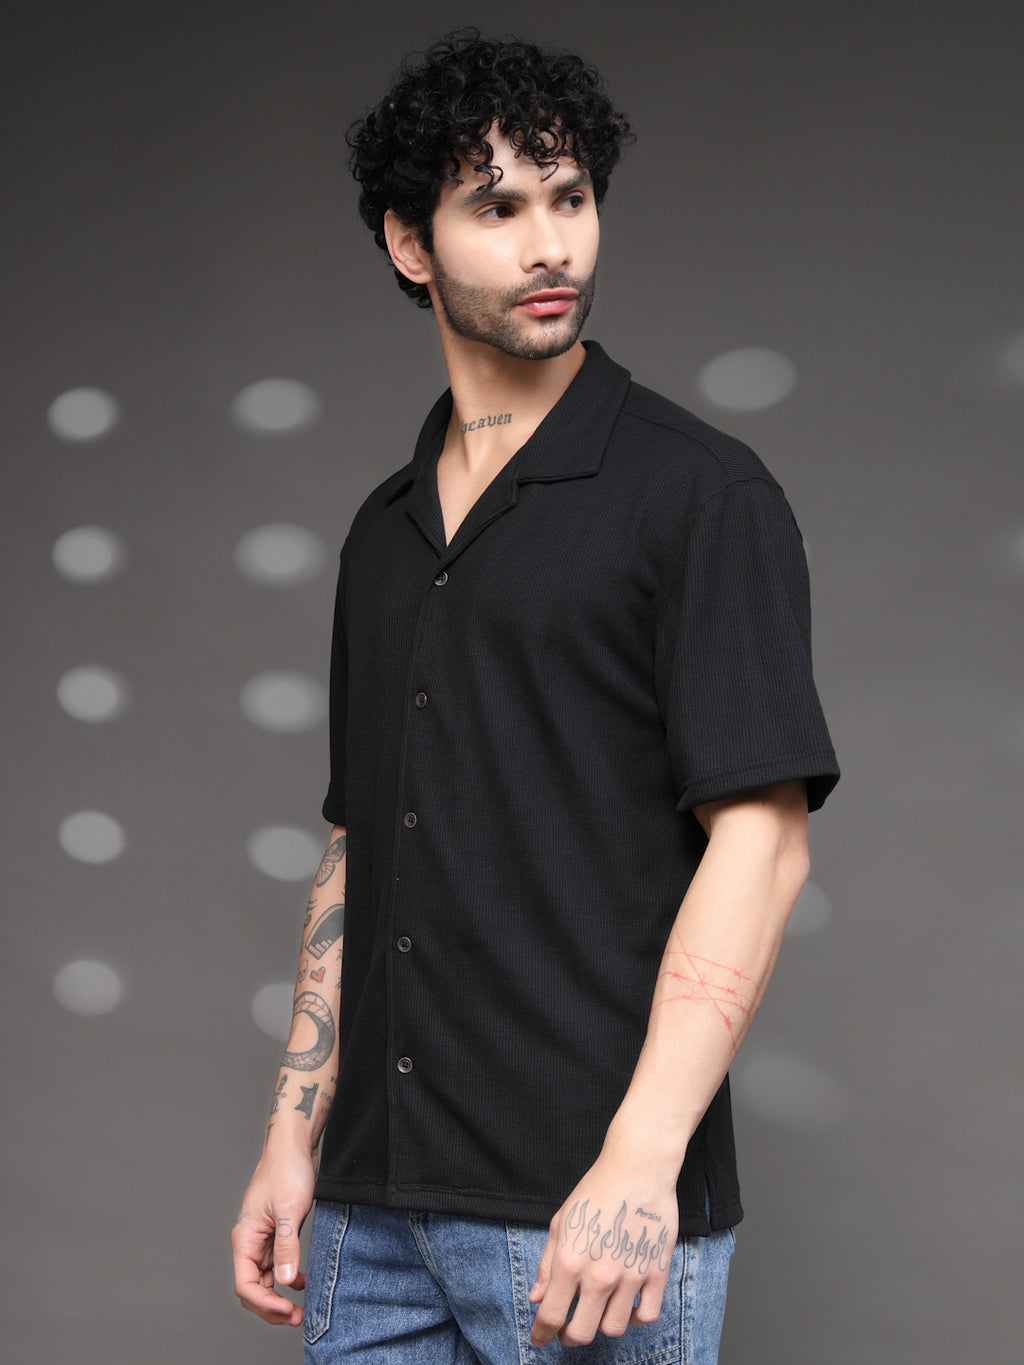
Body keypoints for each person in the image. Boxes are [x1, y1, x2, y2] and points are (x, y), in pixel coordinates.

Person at [231, 28, 840, 1363]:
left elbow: (763, 841)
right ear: (411, 244)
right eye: (497, 208)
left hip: (583, 1215)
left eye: (570, 198)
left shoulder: (700, 495)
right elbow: (358, 843)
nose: (551, 245)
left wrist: (642, 1161)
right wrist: (292, 1131)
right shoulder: (383, 532)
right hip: (367, 1215)